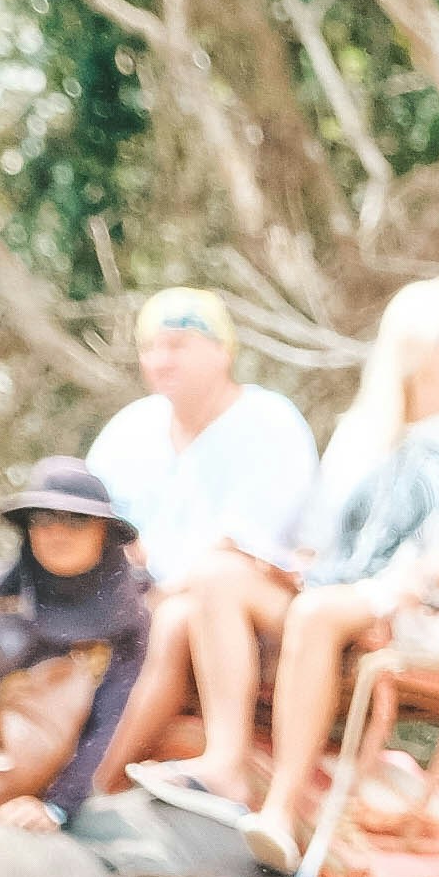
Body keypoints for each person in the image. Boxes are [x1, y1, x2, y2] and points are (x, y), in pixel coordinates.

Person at [243, 277, 439, 867]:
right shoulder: (361, 432)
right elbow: (319, 541)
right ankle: (205, 763)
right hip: (344, 590)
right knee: (220, 584)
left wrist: (407, 584)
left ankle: (281, 810)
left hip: (429, 611)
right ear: (413, 344)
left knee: (316, 615)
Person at [87, 290, 319, 795]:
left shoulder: (270, 421)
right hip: (143, 596)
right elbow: (95, 527)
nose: (160, 360)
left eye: (177, 344)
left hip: (252, 600)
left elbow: (242, 551)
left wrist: (147, 595)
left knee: (176, 615)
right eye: (150, 348)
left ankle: (90, 788)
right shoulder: (131, 427)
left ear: (223, 350)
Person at [0, 459, 155, 829]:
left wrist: (56, 806)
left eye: (76, 520)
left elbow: (111, 724)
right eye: (42, 518)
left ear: (104, 532)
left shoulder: (131, 619)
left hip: (60, 794)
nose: (57, 531)